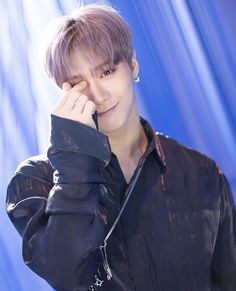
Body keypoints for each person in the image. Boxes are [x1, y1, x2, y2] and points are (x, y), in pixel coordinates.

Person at [6, 3, 236, 291]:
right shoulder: (34, 180)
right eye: (78, 83)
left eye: (106, 72)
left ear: (133, 65)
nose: (98, 94)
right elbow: (65, 274)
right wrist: (75, 162)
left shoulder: (202, 174)